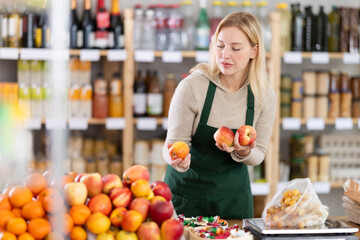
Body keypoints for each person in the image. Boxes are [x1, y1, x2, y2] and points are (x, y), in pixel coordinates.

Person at [162, 12, 276, 219]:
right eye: (220, 45)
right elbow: (171, 144)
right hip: (186, 198)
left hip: (233, 201)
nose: (225, 55)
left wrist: (242, 152)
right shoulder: (192, 87)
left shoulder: (263, 95)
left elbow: (259, 153)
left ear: (254, 51)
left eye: (235, 48)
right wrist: (177, 160)